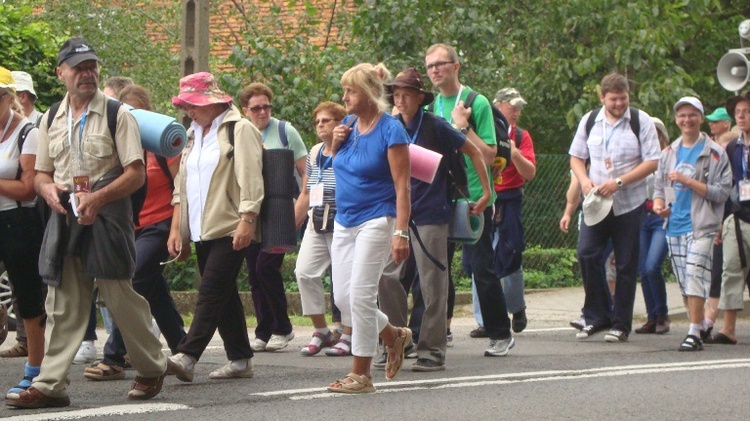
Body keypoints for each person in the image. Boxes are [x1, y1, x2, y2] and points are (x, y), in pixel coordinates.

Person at [6, 38, 172, 409]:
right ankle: (51, 385)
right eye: (78, 67)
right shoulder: (50, 117)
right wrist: (48, 192)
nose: (87, 73)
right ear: (60, 72)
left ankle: (151, 366)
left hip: (108, 213)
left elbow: (135, 174)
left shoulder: (118, 114)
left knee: (118, 295)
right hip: (66, 215)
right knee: (62, 301)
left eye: (92, 66)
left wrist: (97, 198)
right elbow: (41, 175)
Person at [379, 67, 491, 371]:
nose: (400, 100)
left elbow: (475, 153)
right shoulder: (390, 126)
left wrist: (487, 191)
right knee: (386, 276)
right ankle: (398, 338)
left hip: (431, 215)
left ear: (419, 98)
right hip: (398, 215)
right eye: (396, 95)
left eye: (406, 95)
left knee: (432, 285)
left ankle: (432, 350)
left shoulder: (436, 126)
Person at [83, 84, 186, 381]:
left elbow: (181, 189)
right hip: (133, 228)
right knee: (154, 290)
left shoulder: (164, 145)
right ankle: (183, 348)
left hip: (161, 225)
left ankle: (115, 357)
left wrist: (177, 231)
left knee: (135, 282)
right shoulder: (121, 146)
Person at [167, 72, 263, 381]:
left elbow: (251, 177)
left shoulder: (239, 129)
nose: (189, 111)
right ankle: (240, 359)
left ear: (214, 102)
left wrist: (248, 219)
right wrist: (178, 229)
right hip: (201, 227)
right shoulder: (193, 133)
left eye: (193, 104)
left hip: (231, 224)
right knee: (224, 293)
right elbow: (182, 184)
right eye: (186, 106)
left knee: (209, 291)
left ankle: (187, 354)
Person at [325, 62, 411, 394]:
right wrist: (334, 144)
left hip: (378, 218)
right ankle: (393, 335)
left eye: (350, 90)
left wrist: (400, 232)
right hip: (344, 220)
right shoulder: (346, 125)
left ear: (369, 93)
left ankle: (360, 373)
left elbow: (402, 185)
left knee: (361, 294)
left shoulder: (391, 130)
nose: (344, 97)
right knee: (344, 299)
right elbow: (340, 169)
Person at [424, 43, 515, 356]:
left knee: (481, 268)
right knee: (438, 266)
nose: (435, 70)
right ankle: (441, 330)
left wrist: (464, 127)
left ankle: (501, 333)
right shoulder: (431, 107)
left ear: (456, 66)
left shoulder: (476, 103)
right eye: (430, 66)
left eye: (441, 64)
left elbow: (490, 156)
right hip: (442, 199)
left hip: (475, 198)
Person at [569, 73, 660, 343]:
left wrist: (619, 182)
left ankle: (621, 323)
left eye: (623, 98)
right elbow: (576, 157)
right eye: (613, 99)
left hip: (628, 203)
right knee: (586, 254)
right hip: (597, 204)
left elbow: (653, 161)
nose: (619, 104)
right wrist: (584, 181)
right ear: (602, 98)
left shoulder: (639, 120)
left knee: (626, 264)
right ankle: (598, 315)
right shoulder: (589, 121)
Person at [653, 97, 731, 351]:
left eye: (692, 115)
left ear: (701, 117)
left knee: (695, 274)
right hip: (674, 226)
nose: (687, 120)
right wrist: (660, 206)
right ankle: (697, 327)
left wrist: (689, 182)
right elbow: (661, 188)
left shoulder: (715, 153)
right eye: (682, 116)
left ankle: (693, 333)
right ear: (676, 120)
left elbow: (721, 193)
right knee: (686, 283)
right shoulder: (669, 153)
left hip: (702, 226)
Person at [239, 82, 307, 352]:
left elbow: (305, 171)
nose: (262, 112)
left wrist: (298, 210)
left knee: (266, 267)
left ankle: (283, 328)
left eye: (266, 106)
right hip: (253, 211)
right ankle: (264, 330)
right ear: (245, 110)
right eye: (256, 108)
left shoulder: (284, 130)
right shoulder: (242, 133)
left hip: (279, 211)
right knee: (254, 273)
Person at [0, 67, 47, 399]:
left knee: (29, 298)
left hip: (18, 222)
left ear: (9, 98)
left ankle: (35, 371)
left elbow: (29, 188)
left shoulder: (27, 132)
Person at [293, 101, 352, 356]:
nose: (320, 125)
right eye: (317, 121)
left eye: (326, 120)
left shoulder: (350, 148)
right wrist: (291, 224)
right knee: (304, 272)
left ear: (340, 123)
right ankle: (322, 331)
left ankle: (349, 334)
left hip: (342, 220)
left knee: (343, 283)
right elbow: (306, 190)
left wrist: (338, 149)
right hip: (317, 219)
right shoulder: (315, 152)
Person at [483, 87, 537, 334]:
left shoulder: (522, 136)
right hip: (485, 196)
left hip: (510, 198)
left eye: (518, 107)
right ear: (498, 105)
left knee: (511, 251)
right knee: (480, 258)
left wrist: (514, 152)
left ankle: (517, 308)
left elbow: (530, 173)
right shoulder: (485, 128)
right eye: (511, 106)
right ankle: (485, 319)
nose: (516, 112)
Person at [713, 92, 750, 345]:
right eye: (738, 112)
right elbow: (726, 185)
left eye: (746, 111)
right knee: (731, 271)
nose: (741, 116)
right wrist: (721, 222)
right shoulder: (733, 147)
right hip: (737, 218)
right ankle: (728, 329)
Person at [634, 118, 672, 334]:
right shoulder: (639, 157)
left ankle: (663, 314)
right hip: (642, 217)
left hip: (661, 217)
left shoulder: (669, 156)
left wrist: (669, 207)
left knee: (652, 266)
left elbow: (672, 186)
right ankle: (652, 317)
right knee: (643, 269)